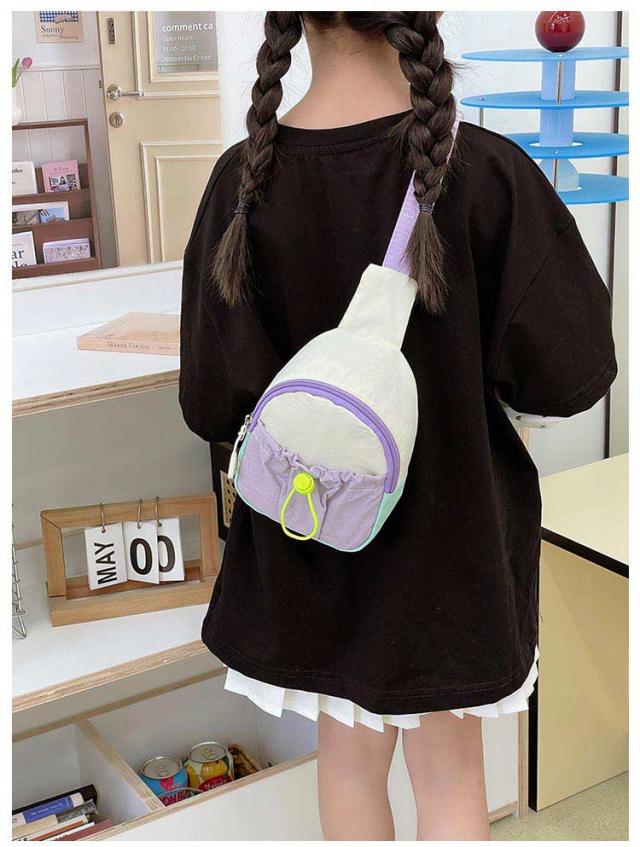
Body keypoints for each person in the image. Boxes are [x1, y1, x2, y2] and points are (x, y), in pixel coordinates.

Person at [180, 12, 616, 841]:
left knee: (347, 770)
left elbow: (209, 403)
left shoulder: (244, 182)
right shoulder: (486, 173)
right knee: (451, 780)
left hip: (309, 541)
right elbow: (572, 373)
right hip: (451, 563)